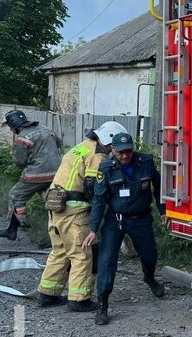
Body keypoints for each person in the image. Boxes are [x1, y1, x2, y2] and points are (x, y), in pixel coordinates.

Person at [36, 121, 128, 312]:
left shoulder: (81, 147)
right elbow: (94, 187)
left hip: (56, 205)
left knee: (60, 251)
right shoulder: (97, 155)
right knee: (82, 254)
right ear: (108, 141)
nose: (115, 150)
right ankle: (79, 299)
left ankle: (48, 294)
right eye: (114, 146)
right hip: (74, 210)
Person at [82, 132, 166, 325]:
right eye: (120, 152)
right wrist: (93, 228)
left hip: (141, 219)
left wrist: (163, 210)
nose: (125, 155)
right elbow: (99, 200)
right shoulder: (105, 169)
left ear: (132, 148)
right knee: (106, 261)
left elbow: (159, 186)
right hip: (115, 220)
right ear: (112, 149)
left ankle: (149, 278)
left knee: (150, 255)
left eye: (128, 151)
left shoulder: (145, 162)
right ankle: (103, 305)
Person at [0, 109, 63, 241]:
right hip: (57, 173)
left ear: (14, 125)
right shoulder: (47, 130)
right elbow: (59, 144)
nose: (10, 130)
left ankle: (22, 225)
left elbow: (19, 161)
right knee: (52, 203)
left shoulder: (22, 139)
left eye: (10, 127)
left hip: (35, 175)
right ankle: (55, 236)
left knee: (15, 196)